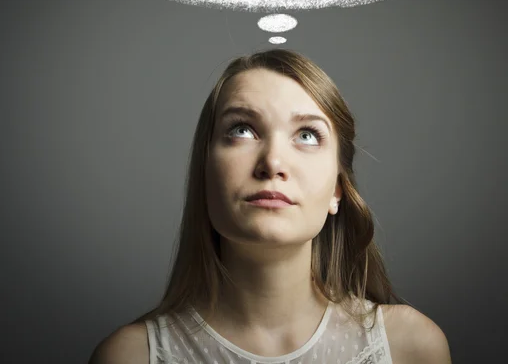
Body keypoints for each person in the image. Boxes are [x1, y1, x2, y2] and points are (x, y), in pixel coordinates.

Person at [89, 48, 452, 364]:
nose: (273, 162)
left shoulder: (409, 347)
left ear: (338, 190)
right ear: (205, 171)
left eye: (307, 135)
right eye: (242, 130)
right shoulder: (131, 357)